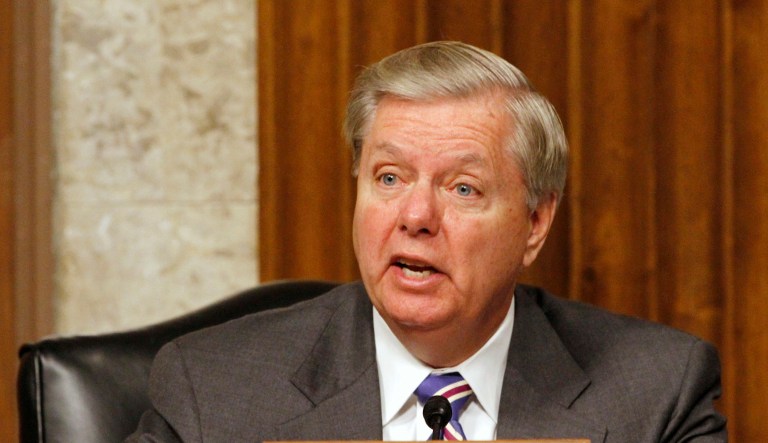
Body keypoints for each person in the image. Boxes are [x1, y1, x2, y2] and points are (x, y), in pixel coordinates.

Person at [128, 41, 726, 442]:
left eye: (463, 189)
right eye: (389, 178)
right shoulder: (213, 390)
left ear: (536, 224)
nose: (415, 216)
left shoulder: (656, 396)